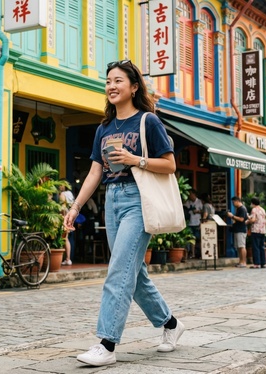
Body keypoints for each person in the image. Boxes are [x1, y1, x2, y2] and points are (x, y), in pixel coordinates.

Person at [63, 60, 184, 367]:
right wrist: (75, 206)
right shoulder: (104, 128)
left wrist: (135, 159)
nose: (111, 86)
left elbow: (169, 164)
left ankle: (107, 344)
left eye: (118, 81)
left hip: (138, 200)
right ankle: (170, 324)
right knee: (134, 273)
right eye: (108, 82)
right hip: (112, 201)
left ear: (133, 87)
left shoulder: (148, 122)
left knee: (118, 271)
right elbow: (94, 172)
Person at [227, 196, 248, 268]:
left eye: (233, 202)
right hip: (237, 229)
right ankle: (240, 261)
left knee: (242, 246)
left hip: (241, 230)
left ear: (237, 201)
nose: (233, 204)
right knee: (239, 247)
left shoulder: (242, 209)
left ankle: (244, 262)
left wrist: (232, 216)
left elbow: (241, 219)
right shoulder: (238, 209)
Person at [247, 197, 266, 269]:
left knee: (255, 247)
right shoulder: (263, 210)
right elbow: (265, 220)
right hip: (263, 230)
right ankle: (263, 263)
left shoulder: (254, 210)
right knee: (261, 246)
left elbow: (253, 220)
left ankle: (257, 263)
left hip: (255, 230)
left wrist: (249, 219)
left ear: (253, 203)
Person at [183, 189, 202, 259]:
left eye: (190, 194)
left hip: (197, 222)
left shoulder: (199, 202)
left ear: (194, 194)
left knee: (198, 239)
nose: (189, 195)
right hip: (190, 223)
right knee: (191, 239)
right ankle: (192, 253)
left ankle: (200, 253)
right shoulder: (188, 202)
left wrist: (198, 211)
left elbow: (204, 211)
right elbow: (183, 206)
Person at [59, 184, 75, 266]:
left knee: (65, 239)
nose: (60, 187)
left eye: (61, 185)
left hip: (64, 218)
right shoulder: (70, 194)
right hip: (69, 218)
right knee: (67, 238)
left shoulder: (63, 194)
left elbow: (62, 208)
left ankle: (67, 258)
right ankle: (68, 258)